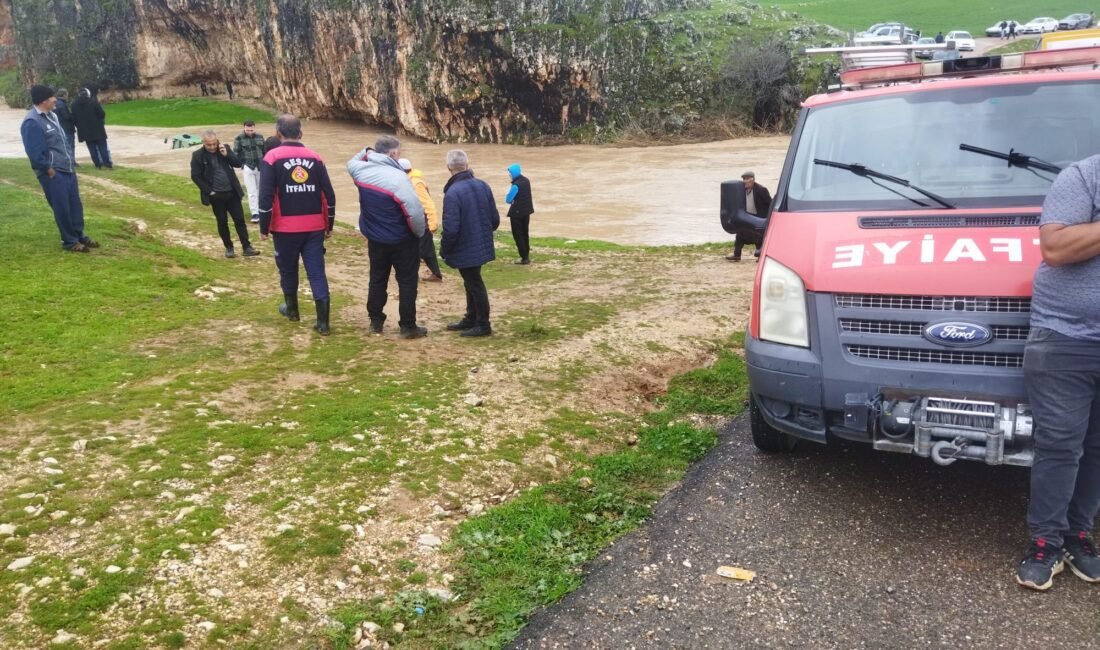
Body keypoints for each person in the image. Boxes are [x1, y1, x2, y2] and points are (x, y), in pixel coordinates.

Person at [1015, 155, 1100, 591]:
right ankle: (1045, 543)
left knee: (1097, 446)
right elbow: (1057, 247)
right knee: (1061, 445)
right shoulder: (1084, 176)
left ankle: (1078, 536)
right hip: (1066, 335)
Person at [258, 114, 337, 335]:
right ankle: (323, 323)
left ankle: (292, 310)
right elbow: (329, 195)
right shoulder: (316, 157)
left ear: (278, 133)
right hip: (314, 227)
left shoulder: (271, 158)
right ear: (300, 134)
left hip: (284, 228)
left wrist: (264, 228)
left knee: (288, 270)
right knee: (317, 272)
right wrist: (328, 225)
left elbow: (265, 196)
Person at [347, 136, 428, 338]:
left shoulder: (359, 170)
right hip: (402, 240)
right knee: (407, 282)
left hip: (375, 239)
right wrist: (419, 234)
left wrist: (368, 150)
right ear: (392, 154)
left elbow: (352, 160)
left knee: (377, 278)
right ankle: (408, 326)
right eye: (397, 153)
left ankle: (375, 321)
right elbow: (415, 212)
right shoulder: (398, 178)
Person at [20, 85, 98, 253]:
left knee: (75, 204)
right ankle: (69, 241)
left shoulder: (53, 116)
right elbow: (34, 151)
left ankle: (79, 235)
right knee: (62, 207)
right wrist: (48, 169)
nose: (55, 99)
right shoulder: (32, 121)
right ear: (43, 101)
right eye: (52, 97)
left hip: (67, 168)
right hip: (53, 172)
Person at [440, 150, 500, 338]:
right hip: (480, 242)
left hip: (465, 245)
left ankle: (483, 324)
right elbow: (495, 220)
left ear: (449, 167)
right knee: (471, 281)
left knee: (474, 283)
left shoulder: (452, 193)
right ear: (467, 164)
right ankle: (471, 317)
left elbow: (451, 229)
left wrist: (444, 249)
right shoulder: (483, 185)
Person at [190, 130, 259, 259]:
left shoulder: (224, 149)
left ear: (217, 141)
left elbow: (238, 164)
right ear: (203, 143)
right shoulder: (198, 155)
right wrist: (209, 191)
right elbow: (195, 176)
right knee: (222, 222)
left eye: (214, 144)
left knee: (240, 220)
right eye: (208, 144)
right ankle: (229, 247)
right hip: (216, 196)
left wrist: (226, 155)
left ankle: (247, 247)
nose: (212, 147)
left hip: (232, 193)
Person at [399, 157, 443, 282]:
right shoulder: (410, 180)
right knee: (425, 250)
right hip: (416, 221)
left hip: (422, 222)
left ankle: (414, 275)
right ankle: (436, 274)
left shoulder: (415, 183)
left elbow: (428, 204)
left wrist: (432, 224)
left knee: (421, 250)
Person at [726, 171, 770, 262]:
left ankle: (760, 256)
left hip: (759, 217)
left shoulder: (761, 190)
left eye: (747, 179)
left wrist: (766, 218)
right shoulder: (742, 190)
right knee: (740, 235)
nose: (745, 181)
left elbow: (770, 204)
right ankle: (737, 255)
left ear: (753, 179)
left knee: (758, 236)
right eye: (744, 179)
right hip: (747, 216)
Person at [70, 88, 113, 169]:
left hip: (84, 131)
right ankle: (107, 164)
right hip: (97, 129)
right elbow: (101, 114)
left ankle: (97, 164)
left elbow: (74, 119)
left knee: (91, 148)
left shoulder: (74, 105)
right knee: (102, 146)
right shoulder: (93, 102)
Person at [234, 119, 266, 223]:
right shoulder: (238, 138)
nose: (250, 132)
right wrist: (242, 164)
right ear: (244, 128)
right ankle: (255, 213)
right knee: (251, 191)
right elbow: (236, 153)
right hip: (248, 166)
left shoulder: (260, 137)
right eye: (248, 130)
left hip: (260, 166)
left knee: (261, 190)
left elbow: (264, 151)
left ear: (254, 128)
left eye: (251, 130)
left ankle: (262, 211)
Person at [505, 163, 534, 265]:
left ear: (513, 173)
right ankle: (526, 255)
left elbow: (508, 199)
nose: (509, 175)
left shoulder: (516, 185)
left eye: (510, 173)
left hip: (517, 214)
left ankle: (524, 258)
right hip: (526, 212)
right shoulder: (526, 181)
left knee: (518, 235)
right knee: (525, 233)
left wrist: (510, 197)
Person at [53, 88, 77, 167]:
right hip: (67, 128)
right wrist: (73, 116)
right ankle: (71, 161)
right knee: (70, 146)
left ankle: (65, 161)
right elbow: (66, 117)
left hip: (59, 128)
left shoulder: (55, 104)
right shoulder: (62, 105)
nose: (67, 96)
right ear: (64, 95)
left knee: (63, 146)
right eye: (67, 95)